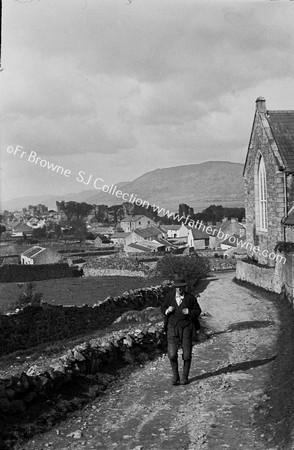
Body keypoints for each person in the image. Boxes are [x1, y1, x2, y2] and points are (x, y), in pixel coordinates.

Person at [161, 279, 201, 385]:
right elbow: (163, 307)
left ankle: (184, 377)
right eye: (177, 287)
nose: (179, 289)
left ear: (185, 287)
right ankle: (175, 376)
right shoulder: (169, 296)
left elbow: (198, 311)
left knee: (187, 354)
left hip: (186, 328)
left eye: (181, 287)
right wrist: (167, 310)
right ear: (174, 288)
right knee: (172, 354)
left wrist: (190, 312)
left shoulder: (190, 298)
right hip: (172, 327)